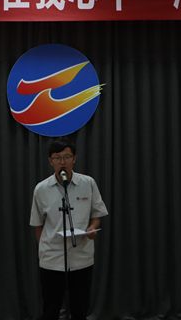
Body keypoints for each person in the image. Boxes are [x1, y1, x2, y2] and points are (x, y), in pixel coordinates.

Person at [30, 137, 109, 320]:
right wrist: (44, 249)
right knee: (50, 309)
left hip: (81, 256)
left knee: (80, 309)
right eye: (57, 158)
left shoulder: (88, 183)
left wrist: (92, 228)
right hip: (52, 258)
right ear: (50, 161)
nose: (62, 162)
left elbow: (97, 213)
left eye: (67, 157)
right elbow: (37, 223)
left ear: (74, 158)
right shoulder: (41, 189)